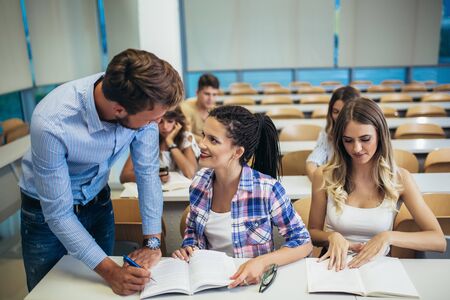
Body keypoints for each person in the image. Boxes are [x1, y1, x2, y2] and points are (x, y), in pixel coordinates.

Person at [19, 49, 184, 295]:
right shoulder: (52, 122)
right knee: (49, 292)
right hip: (44, 214)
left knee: (99, 293)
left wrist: (152, 242)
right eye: (153, 120)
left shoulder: (142, 102)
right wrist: (111, 271)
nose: (157, 125)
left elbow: (148, 174)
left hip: (98, 203)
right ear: (118, 110)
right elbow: (59, 214)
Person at [172, 105, 312, 287]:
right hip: (210, 283)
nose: (202, 144)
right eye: (204, 135)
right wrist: (189, 249)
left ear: (238, 152)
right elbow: (192, 232)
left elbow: (303, 242)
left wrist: (262, 262)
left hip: (251, 286)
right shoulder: (199, 183)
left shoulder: (267, 189)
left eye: (213, 140)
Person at [309, 97, 446, 272]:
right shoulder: (324, 175)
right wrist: (332, 237)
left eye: (365, 139)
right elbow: (312, 232)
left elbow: (438, 240)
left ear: (380, 135)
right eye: (348, 140)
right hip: (334, 266)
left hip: (378, 269)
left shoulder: (400, 178)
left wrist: (388, 237)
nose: (357, 149)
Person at [120, 106, 200, 183]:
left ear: (177, 123)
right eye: (160, 121)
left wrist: (170, 142)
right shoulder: (146, 138)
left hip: (180, 192)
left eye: (170, 121)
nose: (165, 127)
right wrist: (153, 176)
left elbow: (191, 174)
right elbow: (124, 176)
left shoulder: (185, 137)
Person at [305, 86, 360, 180]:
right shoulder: (327, 133)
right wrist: (320, 183)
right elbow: (312, 162)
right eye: (335, 111)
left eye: (344, 112)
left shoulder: (365, 134)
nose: (339, 117)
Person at [181, 73, 220, 142]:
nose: (210, 98)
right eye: (207, 94)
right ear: (197, 92)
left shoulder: (217, 112)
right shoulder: (185, 108)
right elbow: (183, 134)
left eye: (214, 94)